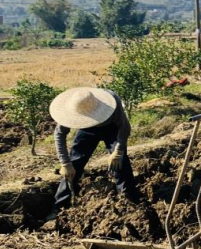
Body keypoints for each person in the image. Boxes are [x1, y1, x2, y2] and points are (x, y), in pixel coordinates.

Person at [46, 87, 138, 219]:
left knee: (120, 164)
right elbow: (59, 134)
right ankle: (59, 206)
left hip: (111, 128)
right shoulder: (72, 108)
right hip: (87, 130)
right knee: (74, 164)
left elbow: (124, 127)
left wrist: (118, 151)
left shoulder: (112, 101)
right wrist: (65, 163)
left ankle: (129, 202)